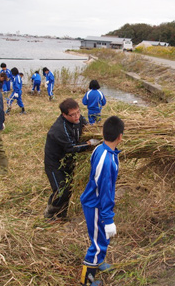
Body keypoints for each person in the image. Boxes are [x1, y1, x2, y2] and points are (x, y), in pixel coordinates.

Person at [80, 116, 124, 286]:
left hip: (95, 202)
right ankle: (86, 279)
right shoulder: (107, 161)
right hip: (96, 205)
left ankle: (98, 262)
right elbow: (104, 192)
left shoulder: (102, 149)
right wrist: (108, 219)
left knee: (101, 239)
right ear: (120, 137)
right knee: (98, 242)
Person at [43, 98, 99, 221]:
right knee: (60, 189)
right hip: (55, 163)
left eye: (78, 112)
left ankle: (61, 215)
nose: (77, 116)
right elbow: (71, 147)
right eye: (72, 115)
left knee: (68, 189)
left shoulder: (79, 119)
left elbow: (87, 127)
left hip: (68, 161)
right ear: (64, 114)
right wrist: (89, 144)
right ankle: (50, 213)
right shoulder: (59, 129)